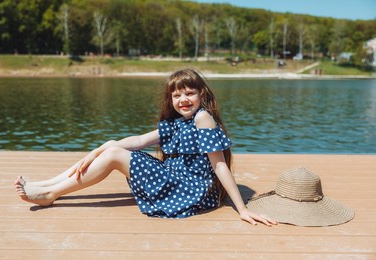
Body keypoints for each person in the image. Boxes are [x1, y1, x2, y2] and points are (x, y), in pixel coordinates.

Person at [15, 69, 276, 226]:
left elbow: (219, 164)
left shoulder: (202, 118)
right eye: (176, 95)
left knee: (114, 153)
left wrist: (242, 209)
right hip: (173, 178)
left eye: (189, 93)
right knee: (111, 148)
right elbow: (141, 140)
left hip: (189, 190)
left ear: (202, 95)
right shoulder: (179, 121)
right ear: (171, 99)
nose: (183, 99)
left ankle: (52, 193)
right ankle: (47, 185)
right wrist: (102, 147)